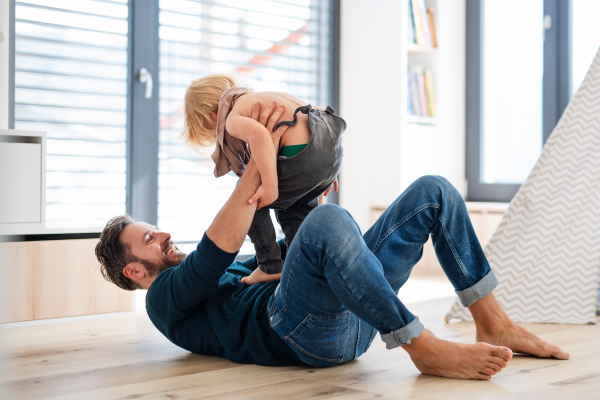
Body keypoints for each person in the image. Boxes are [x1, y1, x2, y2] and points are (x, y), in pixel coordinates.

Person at [95, 102, 570, 380]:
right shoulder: (163, 301)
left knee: (434, 191)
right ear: (133, 270)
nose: (161, 233)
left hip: (355, 313)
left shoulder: (233, 268)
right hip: (303, 337)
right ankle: (419, 344)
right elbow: (213, 252)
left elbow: (303, 253)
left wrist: (306, 190)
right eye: (148, 238)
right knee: (332, 223)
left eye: (152, 227)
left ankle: (493, 321)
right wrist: (259, 152)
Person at [182, 74, 343, 283]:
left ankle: (269, 265)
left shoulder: (232, 119)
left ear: (212, 117)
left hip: (303, 152)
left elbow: (260, 136)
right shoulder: (264, 97)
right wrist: (328, 170)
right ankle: (307, 263)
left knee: (250, 199)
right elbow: (320, 118)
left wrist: (269, 186)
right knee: (298, 205)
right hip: (328, 144)